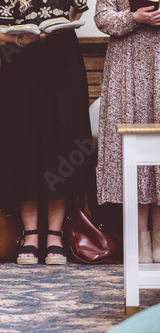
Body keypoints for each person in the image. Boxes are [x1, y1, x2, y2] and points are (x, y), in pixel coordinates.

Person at [0, 0, 93, 265]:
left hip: (63, 61)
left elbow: (77, 11)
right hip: (21, 63)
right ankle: (30, 234)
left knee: (61, 143)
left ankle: (55, 235)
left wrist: (61, 26)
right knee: (23, 143)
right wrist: (19, 39)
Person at [94, 0, 160, 263]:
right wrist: (134, 17)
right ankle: (139, 239)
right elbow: (102, 18)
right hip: (127, 66)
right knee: (135, 151)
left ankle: (159, 236)